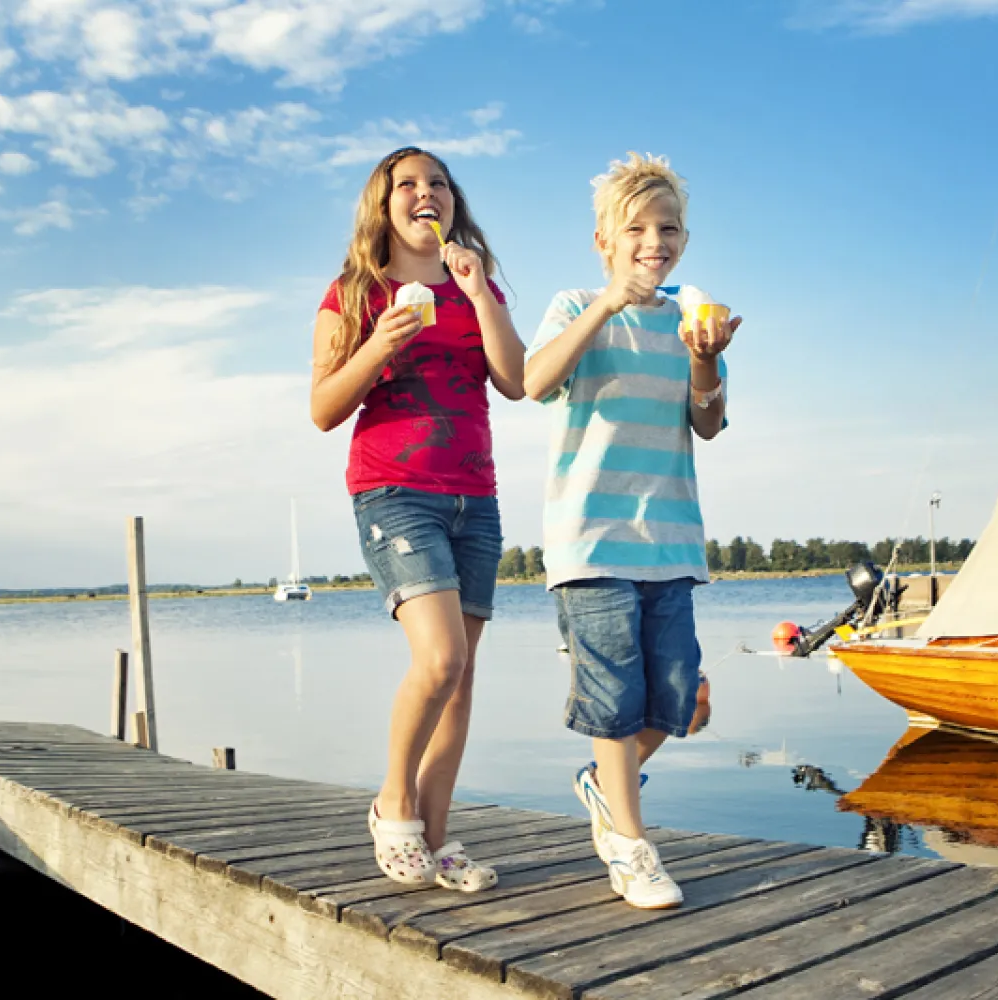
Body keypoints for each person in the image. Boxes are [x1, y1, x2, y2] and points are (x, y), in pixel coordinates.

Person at [524, 152, 740, 909]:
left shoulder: (691, 315)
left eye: (670, 227)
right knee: (614, 698)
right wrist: (606, 306)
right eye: (638, 228)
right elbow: (532, 381)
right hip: (590, 536)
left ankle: (600, 784)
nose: (656, 240)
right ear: (604, 241)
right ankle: (630, 844)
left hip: (670, 537)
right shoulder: (574, 302)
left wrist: (705, 362)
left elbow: (706, 424)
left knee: (675, 700)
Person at [310, 146, 525, 891]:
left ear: (452, 204)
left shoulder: (476, 286)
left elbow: (515, 381)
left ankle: (435, 839)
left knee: (460, 680)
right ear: (383, 204)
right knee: (438, 659)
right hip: (394, 490)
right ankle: (392, 806)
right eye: (407, 184)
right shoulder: (354, 292)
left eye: (437, 184)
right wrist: (376, 345)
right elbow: (323, 410)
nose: (424, 193)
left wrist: (479, 291)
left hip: (476, 498)